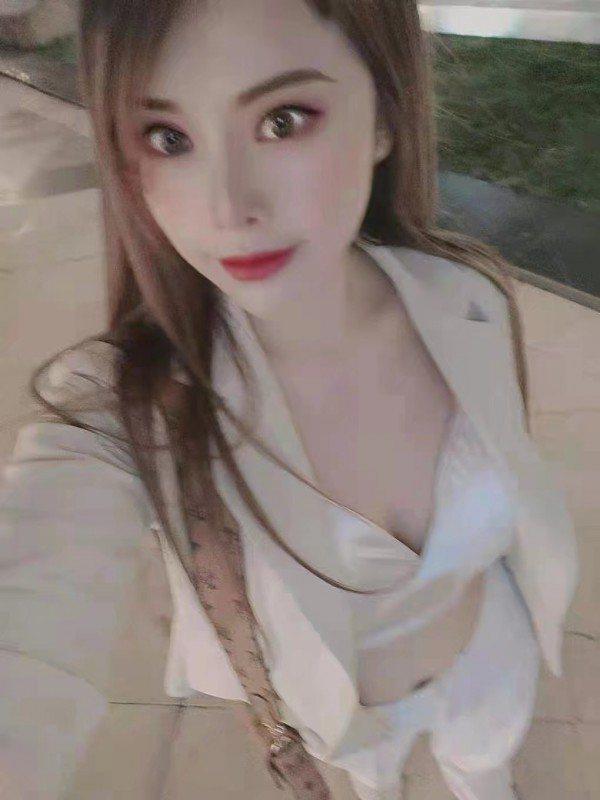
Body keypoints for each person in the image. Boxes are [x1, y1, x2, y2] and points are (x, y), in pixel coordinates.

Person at [0, 1, 579, 798]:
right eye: (167, 138)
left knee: (486, 776)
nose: (227, 209)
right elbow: (32, 607)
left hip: (491, 663)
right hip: (350, 724)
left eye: (283, 120)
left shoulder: (467, 294)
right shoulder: (131, 403)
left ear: (385, 118)